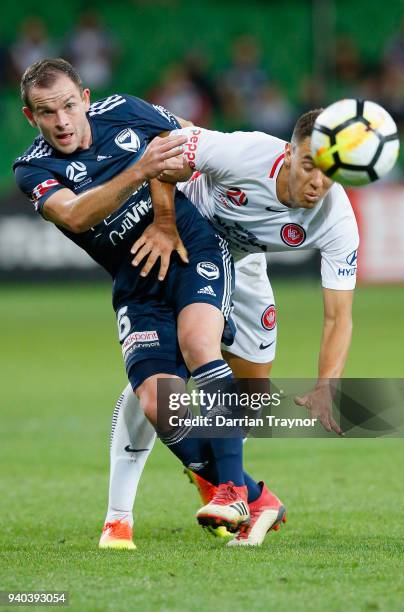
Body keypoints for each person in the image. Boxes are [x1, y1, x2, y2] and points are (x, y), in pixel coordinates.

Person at [13, 59, 285, 547]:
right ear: (31, 117)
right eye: (46, 112)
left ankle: (231, 492)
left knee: (200, 344)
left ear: (86, 98)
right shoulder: (33, 167)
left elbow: (173, 148)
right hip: (135, 283)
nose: (62, 121)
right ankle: (257, 496)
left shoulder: (124, 110)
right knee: (157, 400)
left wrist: (163, 219)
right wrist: (140, 169)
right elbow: (75, 215)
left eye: (69, 106)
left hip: (189, 248)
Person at [108, 109, 359, 546]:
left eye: (330, 173)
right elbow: (166, 148)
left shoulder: (337, 220)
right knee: (160, 382)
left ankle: (233, 485)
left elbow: (339, 315)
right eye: (308, 166)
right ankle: (188, 499)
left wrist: (327, 385)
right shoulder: (245, 153)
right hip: (190, 248)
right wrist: (166, 221)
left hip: (244, 268)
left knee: (250, 395)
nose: (318, 182)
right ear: (290, 150)